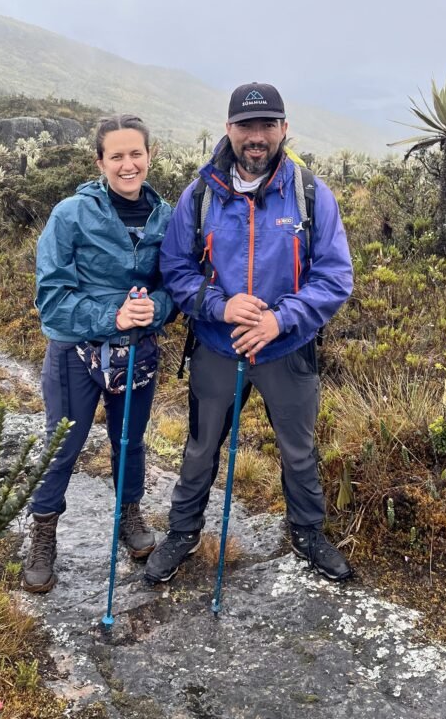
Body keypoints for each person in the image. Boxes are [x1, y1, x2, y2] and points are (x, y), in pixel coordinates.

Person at [144, 82, 354, 585]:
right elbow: (175, 268)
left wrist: (278, 320)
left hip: (288, 349)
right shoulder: (199, 195)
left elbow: (335, 275)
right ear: (228, 129)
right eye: (246, 126)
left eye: (266, 125)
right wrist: (220, 305)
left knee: (298, 449)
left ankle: (306, 531)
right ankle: (183, 530)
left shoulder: (310, 193)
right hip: (217, 347)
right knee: (199, 447)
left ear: (284, 129)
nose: (256, 137)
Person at [23, 114, 174, 593]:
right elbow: (51, 299)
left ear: (149, 156)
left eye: (136, 154)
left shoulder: (166, 217)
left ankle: (129, 516)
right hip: (75, 354)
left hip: (138, 352)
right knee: (62, 444)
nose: (128, 165)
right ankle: (43, 533)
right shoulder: (70, 214)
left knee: (130, 440)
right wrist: (115, 315)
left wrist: (156, 309)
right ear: (100, 161)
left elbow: (175, 285)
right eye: (117, 156)